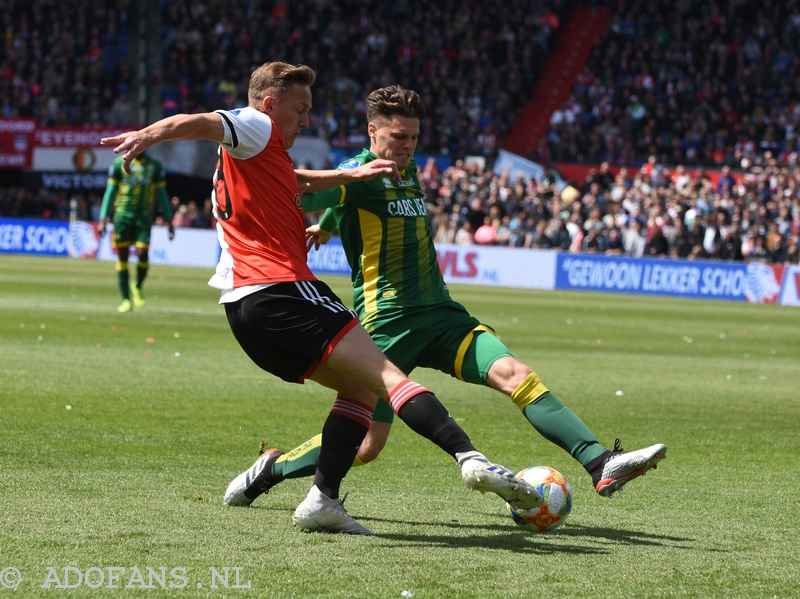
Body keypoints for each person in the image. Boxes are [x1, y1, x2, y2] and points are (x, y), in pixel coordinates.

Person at [100, 63, 539, 536]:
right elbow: (205, 121)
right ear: (271, 104)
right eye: (301, 109)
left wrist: (352, 176)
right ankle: (469, 457)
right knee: (388, 377)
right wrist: (150, 134)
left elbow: (299, 182)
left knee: (360, 391)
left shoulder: (255, 159)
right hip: (283, 289)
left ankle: (322, 501)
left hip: (243, 311)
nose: (307, 120)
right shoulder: (257, 123)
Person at [223, 85, 666, 511]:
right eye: (398, 137)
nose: (407, 146)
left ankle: (600, 462)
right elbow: (300, 184)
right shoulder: (355, 171)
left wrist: (329, 225)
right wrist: (313, 202)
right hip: (388, 322)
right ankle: (271, 472)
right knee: (368, 445)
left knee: (516, 373)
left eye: (414, 137)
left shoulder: (406, 170)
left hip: (442, 313)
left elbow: (364, 200)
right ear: (372, 130)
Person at [98, 152, 175, 313]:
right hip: (122, 216)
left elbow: (161, 194)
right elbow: (110, 191)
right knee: (123, 257)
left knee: (142, 255)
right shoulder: (119, 164)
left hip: (143, 217)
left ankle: (137, 285)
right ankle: (125, 299)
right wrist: (103, 217)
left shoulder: (154, 166)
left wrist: (169, 219)